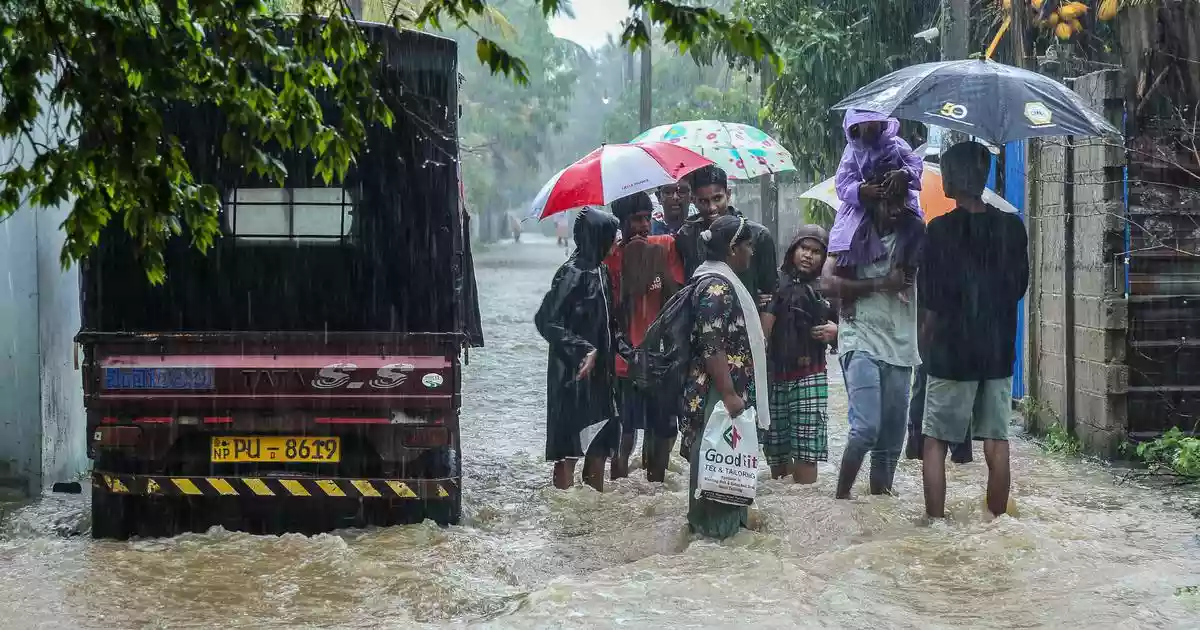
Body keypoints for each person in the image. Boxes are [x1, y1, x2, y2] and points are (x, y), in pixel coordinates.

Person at [919, 141, 1028, 519]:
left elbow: (931, 300)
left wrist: (924, 345)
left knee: (935, 441)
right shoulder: (1012, 227)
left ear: (953, 177)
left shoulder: (939, 230)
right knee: (996, 441)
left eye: (945, 171)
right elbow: (1019, 288)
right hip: (997, 352)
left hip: (951, 352)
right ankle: (998, 523)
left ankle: (935, 524)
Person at [822, 181, 924, 500]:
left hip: (900, 344)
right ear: (872, 201)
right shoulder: (850, 233)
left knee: (889, 444)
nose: (895, 209)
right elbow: (826, 283)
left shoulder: (915, 237)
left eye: (901, 201)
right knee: (865, 429)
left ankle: (878, 512)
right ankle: (841, 501)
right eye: (888, 202)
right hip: (860, 337)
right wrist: (881, 283)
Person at [681, 214, 771, 539]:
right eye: (748, 246)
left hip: (721, 390)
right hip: (717, 392)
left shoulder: (715, 280)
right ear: (733, 249)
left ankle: (717, 536)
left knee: (723, 464)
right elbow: (712, 345)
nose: (751, 252)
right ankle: (716, 538)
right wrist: (730, 394)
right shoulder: (717, 288)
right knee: (719, 465)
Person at [535, 208, 622, 491]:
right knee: (568, 450)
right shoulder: (572, 274)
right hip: (571, 375)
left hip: (601, 375)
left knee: (600, 444)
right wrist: (582, 349)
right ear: (598, 238)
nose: (617, 240)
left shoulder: (602, 270)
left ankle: (594, 509)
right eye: (612, 235)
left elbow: (608, 321)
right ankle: (564, 506)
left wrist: (628, 352)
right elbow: (546, 320)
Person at [604, 192, 685, 482]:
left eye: (647, 218)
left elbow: (677, 298)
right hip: (623, 363)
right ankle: (619, 492)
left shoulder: (665, 246)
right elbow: (611, 312)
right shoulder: (611, 259)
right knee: (624, 436)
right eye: (636, 220)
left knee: (662, 433)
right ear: (620, 223)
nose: (643, 226)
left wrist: (656, 264)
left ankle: (656, 489)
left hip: (660, 361)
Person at [761, 226, 838, 484]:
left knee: (807, 452)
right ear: (793, 249)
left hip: (810, 375)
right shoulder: (774, 282)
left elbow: (852, 325)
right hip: (774, 376)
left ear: (824, 257)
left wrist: (836, 331)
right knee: (776, 451)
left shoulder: (829, 287)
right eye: (804, 248)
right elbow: (761, 331)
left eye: (816, 251)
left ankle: (805, 499)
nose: (808, 255)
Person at [828, 109, 924, 270]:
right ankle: (854, 266)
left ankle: (905, 265)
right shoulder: (851, 152)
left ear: (883, 124)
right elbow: (842, 184)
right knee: (850, 235)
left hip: (898, 197)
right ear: (855, 127)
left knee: (916, 225)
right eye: (865, 124)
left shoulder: (896, 144)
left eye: (874, 125)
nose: (869, 128)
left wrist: (904, 174)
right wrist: (861, 190)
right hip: (865, 205)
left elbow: (915, 163)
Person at [675, 166, 778, 309]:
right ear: (693, 200)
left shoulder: (758, 235)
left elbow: (771, 294)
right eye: (704, 201)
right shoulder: (686, 236)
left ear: (728, 194)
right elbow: (682, 288)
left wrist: (754, 304)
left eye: (717, 198)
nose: (712, 207)